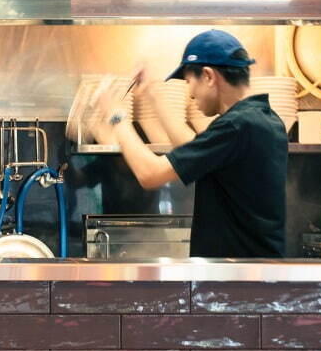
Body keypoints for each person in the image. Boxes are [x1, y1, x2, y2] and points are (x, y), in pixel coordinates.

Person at [94, 29, 288, 258]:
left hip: (236, 278)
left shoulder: (236, 126)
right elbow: (193, 147)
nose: (191, 93)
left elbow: (149, 174)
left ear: (208, 76)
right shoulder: (262, 119)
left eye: (189, 82)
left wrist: (117, 117)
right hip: (251, 274)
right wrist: (152, 96)